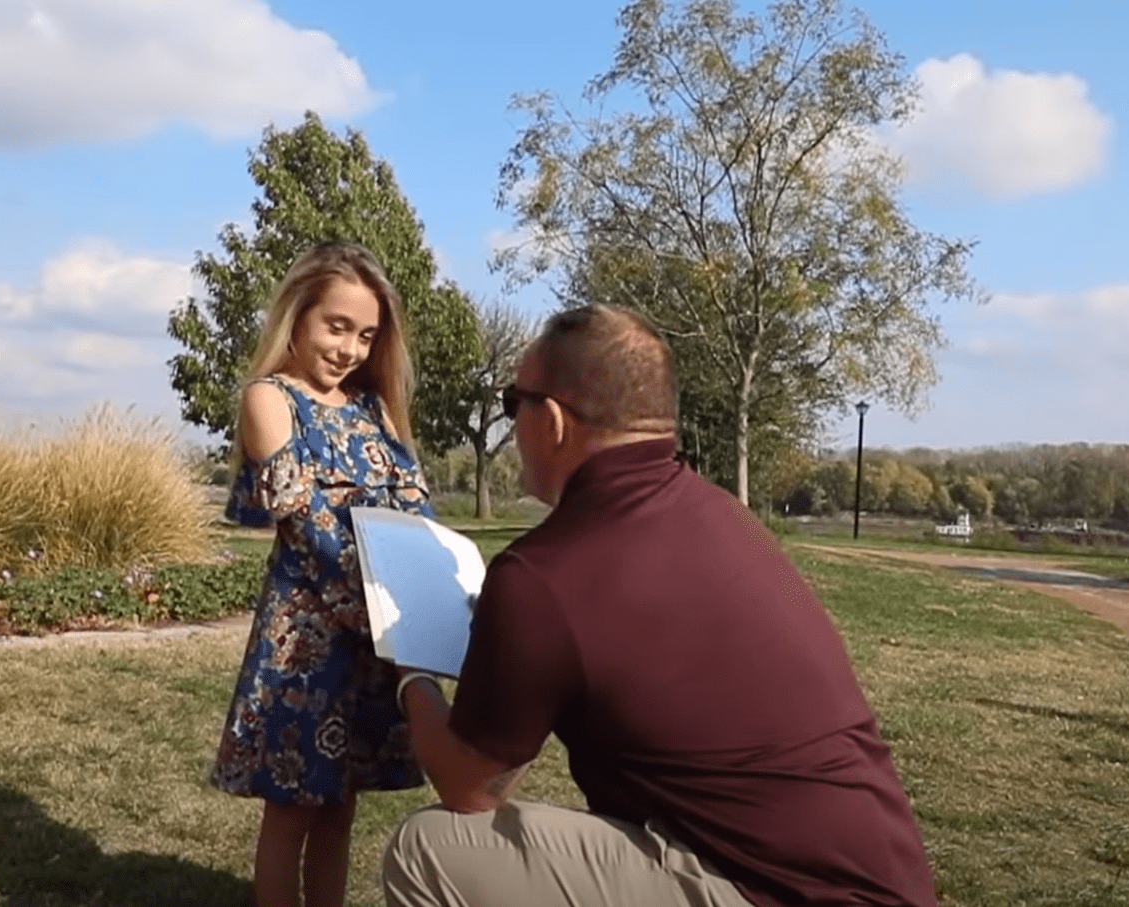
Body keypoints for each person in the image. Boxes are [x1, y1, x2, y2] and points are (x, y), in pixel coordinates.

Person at [383, 305, 938, 907]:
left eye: (514, 402)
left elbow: (473, 787)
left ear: (551, 420)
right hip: (879, 883)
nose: (512, 424)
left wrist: (410, 672)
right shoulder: (726, 518)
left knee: (428, 851)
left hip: (770, 890)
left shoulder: (546, 572)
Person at [212, 242, 434, 907]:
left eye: (365, 334)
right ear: (299, 315)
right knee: (291, 807)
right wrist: (390, 612)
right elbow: (305, 520)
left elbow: (418, 509)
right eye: (335, 325)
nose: (349, 348)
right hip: (307, 641)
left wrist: (430, 604)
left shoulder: (375, 408)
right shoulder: (268, 396)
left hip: (376, 635)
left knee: (340, 807)